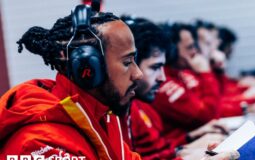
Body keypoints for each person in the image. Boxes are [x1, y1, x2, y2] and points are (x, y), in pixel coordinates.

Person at [0, 5, 143, 159]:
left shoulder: (99, 117)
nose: (138, 74)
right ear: (88, 68)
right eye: (127, 62)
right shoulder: (40, 144)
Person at [123, 18, 228, 160]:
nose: (162, 77)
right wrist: (206, 72)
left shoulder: (140, 104)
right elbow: (207, 114)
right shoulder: (123, 109)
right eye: (154, 67)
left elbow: (158, 150)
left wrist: (187, 142)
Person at [150, 22, 223, 143]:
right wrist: (206, 73)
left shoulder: (182, 73)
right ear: (172, 50)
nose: (195, 51)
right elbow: (208, 116)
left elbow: (215, 104)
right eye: (189, 47)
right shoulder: (164, 82)